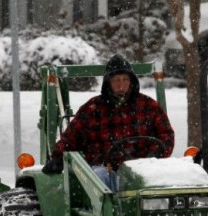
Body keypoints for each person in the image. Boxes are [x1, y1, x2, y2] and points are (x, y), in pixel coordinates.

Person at [42, 54, 175, 191]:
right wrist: (58, 157)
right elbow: (70, 138)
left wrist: (153, 156)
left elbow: (166, 136)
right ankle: (105, 211)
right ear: (108, 82)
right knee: (99, 178)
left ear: (132, 82)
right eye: (116, 80)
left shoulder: (149, 106)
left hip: (142, 168)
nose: (121, 85)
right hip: (106, 170)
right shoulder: (92, 109)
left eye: (125, 79)